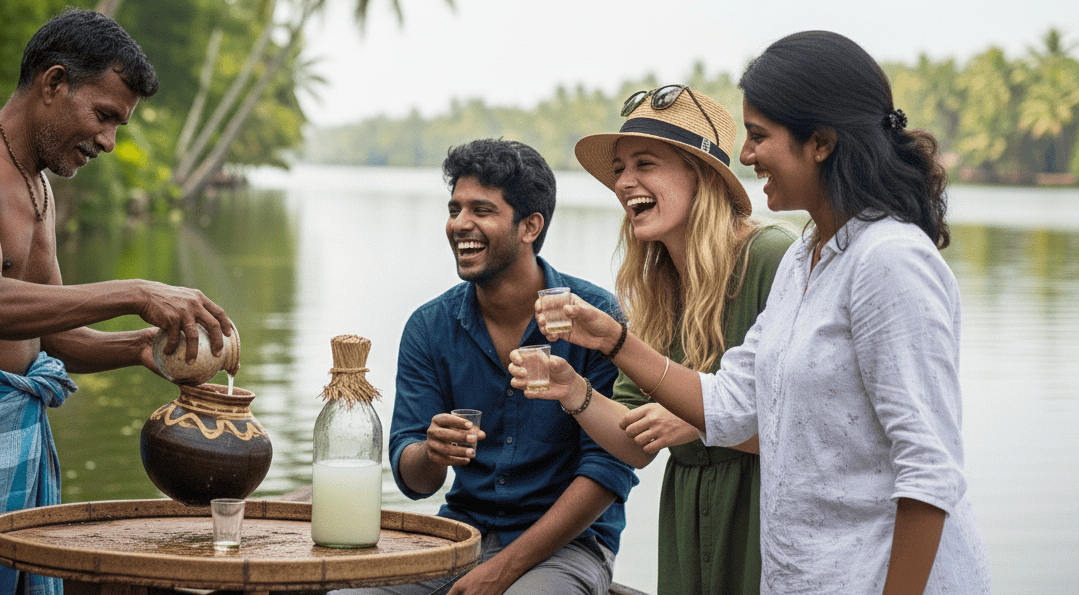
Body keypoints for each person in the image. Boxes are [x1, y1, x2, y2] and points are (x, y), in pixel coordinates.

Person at [519, 31, 991, 594]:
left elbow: (928, 471)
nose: (745, 155)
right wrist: (611, 341)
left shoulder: (889, 260)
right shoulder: (807, 260)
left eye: (760, 136)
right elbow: (734, 402)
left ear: (820, 142)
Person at [0, 8, 235, 595]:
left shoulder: (40, 189)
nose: (108, 141)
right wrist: (136, 292)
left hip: (12, 436)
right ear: (54, 83)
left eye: (119, 127)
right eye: (104, 116)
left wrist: (142, 348)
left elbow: (51, 340)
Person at [512, 86, 795, 594]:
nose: (624, 182)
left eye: (645, 163)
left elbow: (816, 430)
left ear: (702, 174)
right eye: (619, 169)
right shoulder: (656, 287)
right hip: (688, 514)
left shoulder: (774, 258)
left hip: (768, 514)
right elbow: (635, 445)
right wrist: (572, 388)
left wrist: (702, 422)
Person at [337, 139, 637, 595]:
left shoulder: (594, 318)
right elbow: (414, 479)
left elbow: (608, 471)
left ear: (529, 226)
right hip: (461, 535)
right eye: (454, 208)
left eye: (481, 210)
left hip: (568, 545)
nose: (460, 224)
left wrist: (501, 571)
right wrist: (432, 453)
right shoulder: (429, 327)